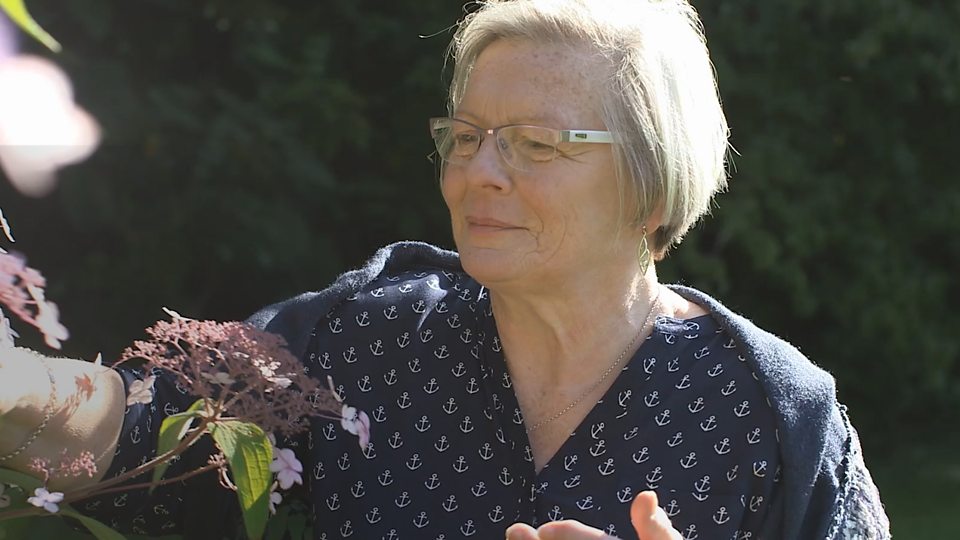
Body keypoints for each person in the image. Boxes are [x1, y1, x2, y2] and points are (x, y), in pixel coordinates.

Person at [0, 0, 891, 538]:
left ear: (651, 184)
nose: (477, 172)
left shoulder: (768, 414)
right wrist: (13, 382)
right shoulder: (366, 339)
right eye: (465, 137)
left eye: (534, 144)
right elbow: (144, 428)